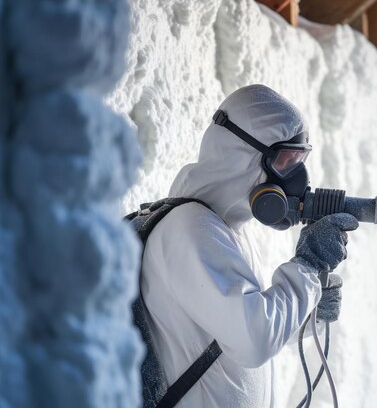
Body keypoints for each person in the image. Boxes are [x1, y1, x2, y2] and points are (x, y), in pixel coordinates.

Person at [140, 84, 359, 407]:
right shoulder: (189, 228)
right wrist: (309, 267)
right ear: (241, 156)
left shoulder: (226, 232)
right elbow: (252, 339)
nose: (295, 179)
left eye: (299, 161)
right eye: (285, 161)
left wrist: (311, 311)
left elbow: (243, 328)